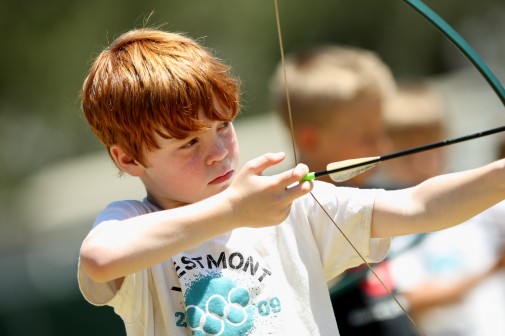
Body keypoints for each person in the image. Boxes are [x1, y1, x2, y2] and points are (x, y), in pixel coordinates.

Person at [78, 28, 505, 336]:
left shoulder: (290, 205)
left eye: (223, 125)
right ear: (128, 158)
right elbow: (100, 259)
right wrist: (233, 211)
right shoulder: (132, 222)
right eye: (189, 142)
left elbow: (419, 206)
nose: (219, 151)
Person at [269, 45, 417, 335]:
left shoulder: (377, 197)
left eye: (382, 132)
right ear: (311, 141)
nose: (383, 147)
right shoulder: (284, 219)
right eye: (367, 137)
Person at [380, 86, 505, 335]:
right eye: (408, 153)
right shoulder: (390, 220)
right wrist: (493, 270)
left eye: (432, 147)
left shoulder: (479, 199)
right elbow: (413, 299)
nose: (423, 162)